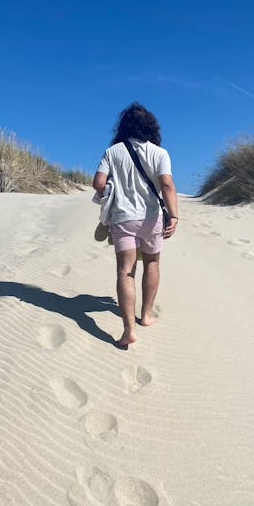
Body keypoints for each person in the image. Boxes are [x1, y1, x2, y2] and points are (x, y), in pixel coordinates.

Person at [92, 102, 178, 347]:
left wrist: (112, 192)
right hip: (152, 217)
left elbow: (98, 182)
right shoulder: (160, 153)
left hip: (122, 218)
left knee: (125, 271)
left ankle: (129, 329)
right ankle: (146, 315)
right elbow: (167, 185)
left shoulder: (113, 151)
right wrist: (174, 216)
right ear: (151, 126)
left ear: (123, 126)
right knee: (152, 262)